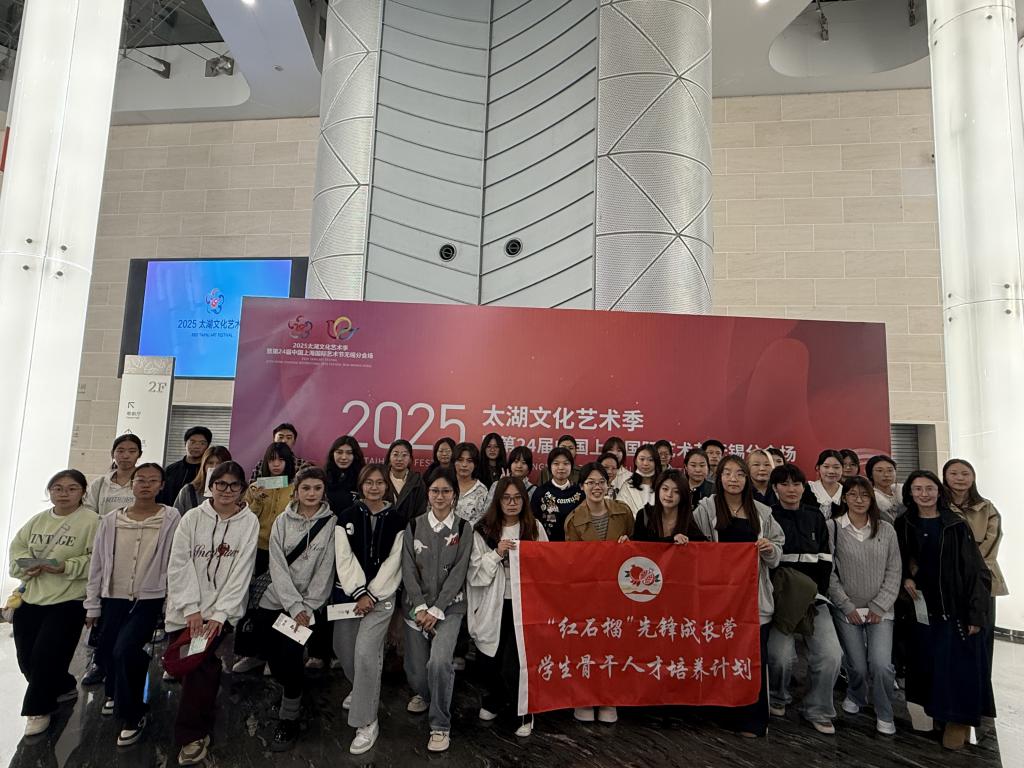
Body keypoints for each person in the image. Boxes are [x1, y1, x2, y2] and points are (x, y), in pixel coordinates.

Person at [165, 461, 258, 766]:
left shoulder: (249, 522)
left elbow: (241, 571)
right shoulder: (192, 518)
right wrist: (191, 609)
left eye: (234, 485)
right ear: (211, 486)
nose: (227, 490)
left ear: (242, 489)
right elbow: (179, 564)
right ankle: (203, 712)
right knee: (191, 668)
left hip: (221, 613)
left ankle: (191, 736)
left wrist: (220, 614)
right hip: (184, 611)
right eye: (221, 484)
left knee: (199, 669)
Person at [894, 470, 994, 750]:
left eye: (929, 488)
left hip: (956, 610)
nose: (924, 494)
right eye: (917, 489)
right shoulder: (904, 523)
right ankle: (939, 718)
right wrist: (906, 577)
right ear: (909, 493)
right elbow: (897, 560)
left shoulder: (955, 525)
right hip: (921, 609)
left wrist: (975, 613)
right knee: (930, 666)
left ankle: (958, 722)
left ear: (939, 491)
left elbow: (976, 572)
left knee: (959, 668)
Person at [84, 463, 179, 746]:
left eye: (153, 481)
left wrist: (170, 601)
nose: (146, 485)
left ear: (162, 485)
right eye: (140, 480)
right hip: (112, 596)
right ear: (132, 484)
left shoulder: (171, 517)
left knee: (126, 649)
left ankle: (133, 714)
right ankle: (114, 692)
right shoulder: (111, 519)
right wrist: (92, 603)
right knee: (107, 650)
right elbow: (98, 562)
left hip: (149, 598)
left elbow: (175, 559)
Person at [693, 456, 784, 738]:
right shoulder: (706, 509)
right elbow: (695, 549)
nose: (733, 479)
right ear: (718, 477)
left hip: (753, 600)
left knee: (753, 659)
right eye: (727, 473)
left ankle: (752, 719)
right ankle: (719, 712)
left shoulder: (762, 512)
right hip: (717, 601)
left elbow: (777, 553)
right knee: (719, 656)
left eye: (739, 474)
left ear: (747, 479)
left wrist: (769, 549)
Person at [10, 469, 99, 737]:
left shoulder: (93, 521)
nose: (63, 494)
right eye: (57, 488)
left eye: (72, 488)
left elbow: (99, 559)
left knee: (46, 655)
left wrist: (66, 566)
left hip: (69, 599)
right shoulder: (38, 520)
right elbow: (17, 548)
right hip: (32, 596)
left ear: (83, 492)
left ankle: (38, 709)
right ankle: (63, 685)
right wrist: (25, 565)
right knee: (26, 658)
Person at [258, 466, 336, 751]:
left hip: (308, 609)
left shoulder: (331, 523)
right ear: (296, 490)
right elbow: (277, 564)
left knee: (291, 658)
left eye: (317, 488)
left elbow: (326, 569)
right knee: (274, 659)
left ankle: (289, 715)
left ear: (323, 491)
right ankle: (293, 689)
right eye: (306, 488)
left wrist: (308, 607)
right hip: (276, 601)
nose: (311, 493)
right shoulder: (282, 520)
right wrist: (292, 604)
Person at [765, 463, 842, 735]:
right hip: (780, 603)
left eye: (796, 484)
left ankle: (818, 709)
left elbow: (825, 559)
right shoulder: (767, 517)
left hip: (814, 600)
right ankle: (777, 696)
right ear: (775, 488)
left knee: (831, 655)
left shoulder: (815, 517)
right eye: (784, 484)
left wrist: (815, 594)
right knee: (779, 657)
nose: (791, 489)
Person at [468, 476, 547, 737]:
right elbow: (475, 574)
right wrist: (497, 553)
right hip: (494, 602)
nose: (512, 503)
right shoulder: (484, 530)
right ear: (498, 501)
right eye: (506, 498)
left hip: (524, 604)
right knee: (490, 658)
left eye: (517, 498)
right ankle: (495, 699)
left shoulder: (534, 527)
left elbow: (547, 564)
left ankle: (524, 710)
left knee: (516, 662)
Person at [401, 470, 473, 753]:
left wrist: (437, 609)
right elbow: (408, 568)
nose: (440, 496)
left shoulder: (464, 528)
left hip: (450, 608)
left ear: (454, 495)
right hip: (416, 608)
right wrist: (420, 607)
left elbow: (459, 572)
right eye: (435, 491)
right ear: (428, 494)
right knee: (417, 674)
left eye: (446, 491)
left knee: (439, 663)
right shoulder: (413, 525)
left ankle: (440, 725)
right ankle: (429, 692)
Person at [334, 464, 404, 755]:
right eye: (369, 482)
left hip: (381, 598)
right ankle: (362, 688)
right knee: (343, 648)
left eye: (379, 482)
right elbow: (344, 558)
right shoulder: (346, 517)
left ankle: (366, 722)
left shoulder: (398, 520)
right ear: (361, 485)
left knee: (366, 654)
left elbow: (394, 562)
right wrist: (359, 592)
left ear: (387, 486)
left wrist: (372, 594)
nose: (374, 487)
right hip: (350, 596)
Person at [827, 476, 902, 736]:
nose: (859, 500)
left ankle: (884, 712)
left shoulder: (886, 530)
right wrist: (845, 605)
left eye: (865, 495)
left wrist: (879, 606)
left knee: (881, 665)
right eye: (853, 494)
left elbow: (894, 570)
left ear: (872, 499)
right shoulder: (833, 527)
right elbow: (829, 572)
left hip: (881, 610)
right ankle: (856, 694)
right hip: (846, 609)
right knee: (856, 665)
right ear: (844, 497)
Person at [565, 463, 633, 723]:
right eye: (590, 482)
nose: (596, 487)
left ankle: (609, 699)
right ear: (581, 486)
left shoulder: (623, 512)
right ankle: (584, 699)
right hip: (587, 594)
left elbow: (636, 548)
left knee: (614, 647)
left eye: (601, 482)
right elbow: (571, 561)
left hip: (619, 591)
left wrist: (628, 546)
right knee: (586, 646)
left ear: (608, 484)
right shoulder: (573, 519)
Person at [942, 458, 1007, 691]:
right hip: (948, 582)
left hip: (984, 580)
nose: (960, 478)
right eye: (954, 473)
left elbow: (991, 543)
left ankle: (981, 689)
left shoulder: (987, 508)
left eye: (965, 473)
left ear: (973, 478)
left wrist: (970, 571)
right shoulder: (939, 506)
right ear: (945, 477)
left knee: (982, 637)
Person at [233, 442, 297, 674]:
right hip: (257, 551)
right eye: (272, 460)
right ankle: (251, 654)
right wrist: (258, 500)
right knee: (251, 603)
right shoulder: (255, 488)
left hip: (284, 553)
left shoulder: (295, 488)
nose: (276, 464)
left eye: (281, 460)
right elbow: (245, 520)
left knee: (278, 605)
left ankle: (273, 656)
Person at [633, 469, 706, 543]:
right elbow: (638, 545)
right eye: (665, 489)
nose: (669, 495)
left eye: (676, 491)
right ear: (658, 490)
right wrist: (672, 539)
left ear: (683, 495)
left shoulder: (687, 518)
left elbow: (701, 544)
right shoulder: (644, 515)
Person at [530, 447, 583, 542]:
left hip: (574, 544)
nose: (561, 467)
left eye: (566, 463)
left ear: (571, 466)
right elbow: (533, 521)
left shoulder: (579, 492)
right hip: (547, 544)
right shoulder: (540, 492)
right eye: (556, 463)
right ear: (550, 466)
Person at [86, 434, 143, 515]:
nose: (125, 456)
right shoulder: (99, 483)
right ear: (112, 453)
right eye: (120, 451)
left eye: (132, 451)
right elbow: (89, 513)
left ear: (140, 454)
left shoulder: (146, 483)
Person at [158, 427, 213, 506]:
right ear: (185, 443)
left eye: (202, 443)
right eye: (192, 442)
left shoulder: (209, 471)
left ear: (208, 446)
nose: (197, 446)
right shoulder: (171, 470)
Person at [173, 445, 231, 516]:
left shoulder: (236, 491)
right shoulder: (188, 491)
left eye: (220, 463)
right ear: (203, 465)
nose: (215, 467)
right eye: (210, 463)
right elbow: (176, 518)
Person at [248, 422, 313, 482]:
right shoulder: (261, 464)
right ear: (274, 439)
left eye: (288, 438)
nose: (284, 441)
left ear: (294, 442)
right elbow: (252, 487)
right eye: (281, 437)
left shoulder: (301, 464)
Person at [324, 436, 365, 515]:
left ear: (355, 455)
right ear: (332, 454)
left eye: (349, 453)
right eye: (339, 452)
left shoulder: (363, 478)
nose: (344, 457)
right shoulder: (323, 477)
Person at [386, 439, 426, 521]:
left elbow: (421, 511)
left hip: (409, 527)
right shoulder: (382, 478)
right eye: (395, 454)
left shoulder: (417, 481)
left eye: (404, 455)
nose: (399, 459)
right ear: (389, 457)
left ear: (410, 459)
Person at [616, 443, 661, 515]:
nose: (645, 463)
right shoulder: (627, 486)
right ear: (635, 461)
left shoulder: (662, 485)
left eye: (650, 460)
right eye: (642, 459)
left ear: (656, 462)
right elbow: (619, 511)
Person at [866, 455, 904, 523]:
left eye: (890, 470)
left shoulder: (904, 493)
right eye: (880, 470)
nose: (886, 474)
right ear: (871, 474)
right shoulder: (869, 497)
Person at [807, 449, 844, 517]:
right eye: (826, 466)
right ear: (818, 468)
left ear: (842, 469)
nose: (831, 471)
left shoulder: (847, 491)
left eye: (836, 467)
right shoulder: (808, 489)